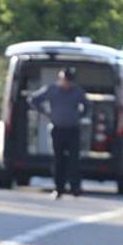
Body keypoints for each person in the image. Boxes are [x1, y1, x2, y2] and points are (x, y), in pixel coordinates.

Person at [28, 68, 91, 199]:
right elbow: (33, 100)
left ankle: (75, 188)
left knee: (74, 159)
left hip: (73, 128)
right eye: (64, 80)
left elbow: (87, 105)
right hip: (57, 129)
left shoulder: (77, 92)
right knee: (58, 159)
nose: (66, 83)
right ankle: (59, 188)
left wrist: (78, 115)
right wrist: (45, 112)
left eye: (69, 81)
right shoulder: (52, 90)